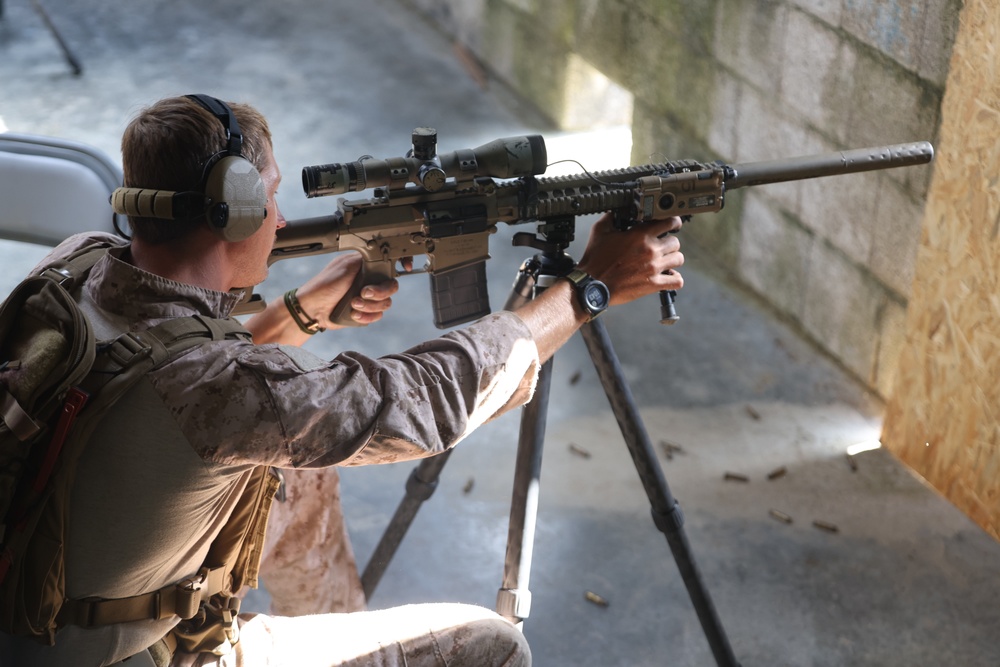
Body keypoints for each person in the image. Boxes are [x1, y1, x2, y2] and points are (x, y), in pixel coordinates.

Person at [0, 95, 684, 667]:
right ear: (231, 212)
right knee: (498, 646)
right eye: (269, 198)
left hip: (35, 587)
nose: (283, 220)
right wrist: (587, 287)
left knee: (300, 477)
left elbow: (166, 367)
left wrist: (300, 311)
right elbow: (422, 401)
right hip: (126, 654)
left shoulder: (74, 266)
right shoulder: (220, 387)